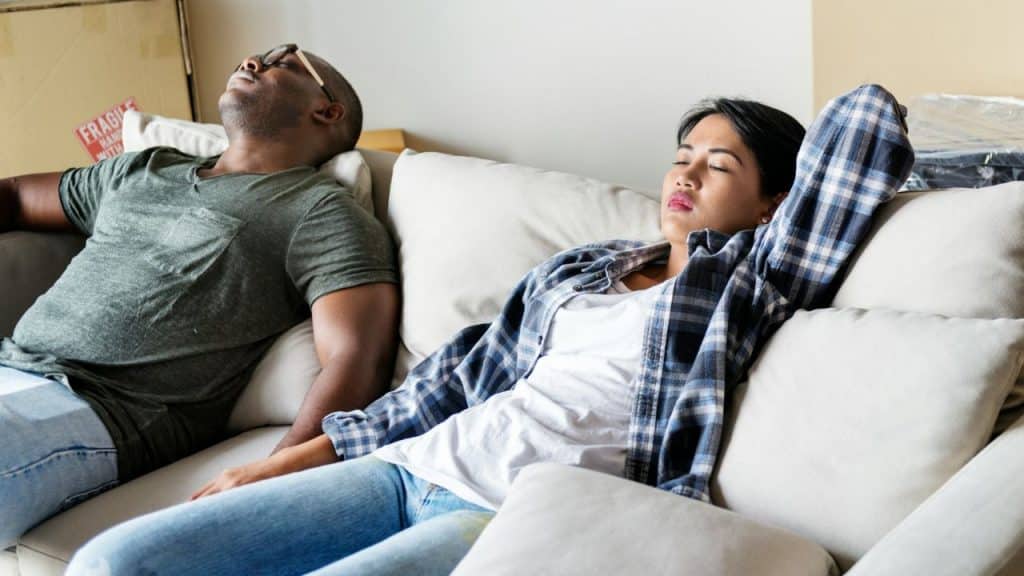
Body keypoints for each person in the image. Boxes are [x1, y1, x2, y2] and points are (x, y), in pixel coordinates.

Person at [67, 84, 913, 576]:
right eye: (683, 152)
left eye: (720, 164)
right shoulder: (585, 268)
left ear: (775, 201)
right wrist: (285, 461)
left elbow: (867, 126)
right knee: (114, 564)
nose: (686, 171)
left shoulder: (751, 283)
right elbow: (451, 384)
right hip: (404, 469)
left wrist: (784, 184)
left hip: (501, 514)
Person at [0, 44, 400, 547]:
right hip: (12, 368)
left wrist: (280, 467)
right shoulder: (142, 169)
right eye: (255, 57)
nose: (252, 62)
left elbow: (358, 357)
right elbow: (15, 198)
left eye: (284, 64)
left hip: (100, 409)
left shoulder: (318, 211)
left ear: (327, 110)